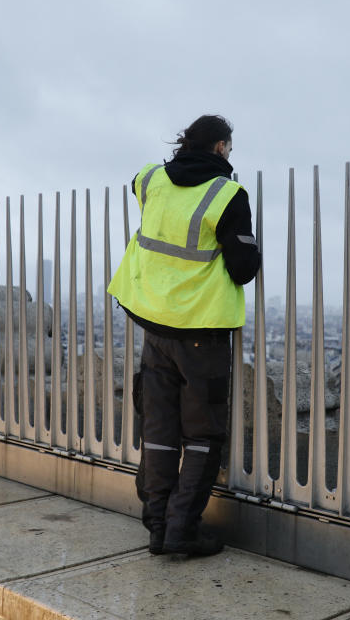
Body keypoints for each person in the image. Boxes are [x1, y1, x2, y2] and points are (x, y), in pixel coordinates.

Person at [107, 114, 260, 557]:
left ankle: (156, 526)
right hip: (201, 333)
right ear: (219, 148)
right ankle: (181, 531)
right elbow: (243, 268)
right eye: (229, 148)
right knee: (201, 436)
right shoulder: (227, 194)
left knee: (158, 430)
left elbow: (136, 182)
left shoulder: (152, 180)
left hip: (154, 327)